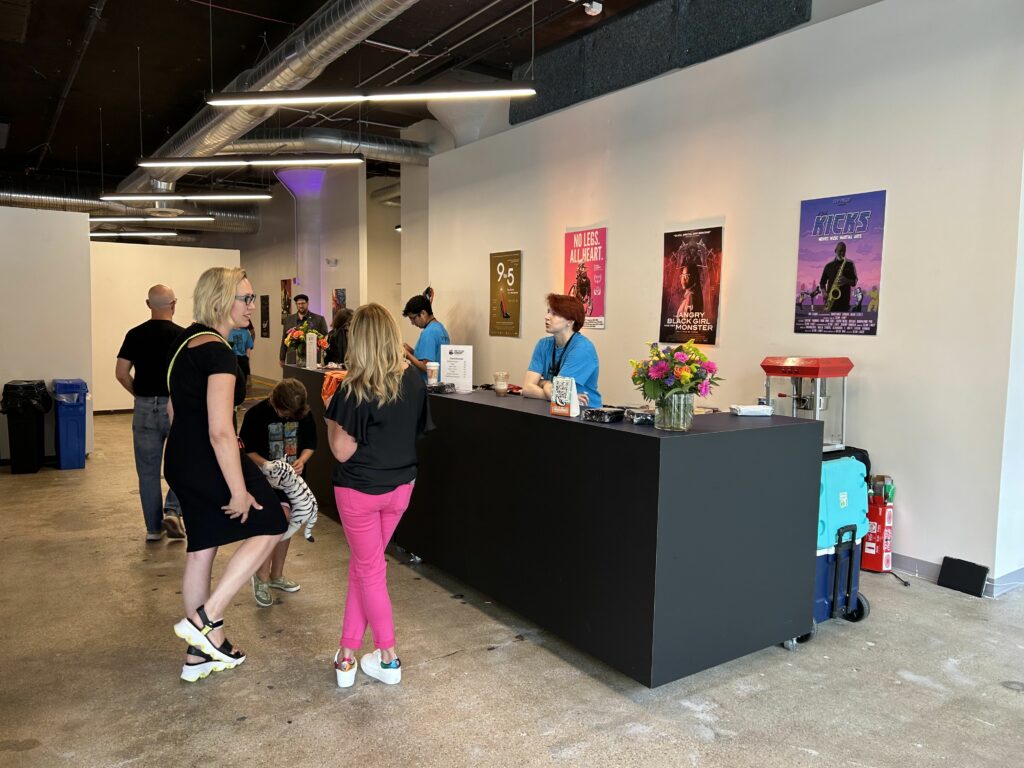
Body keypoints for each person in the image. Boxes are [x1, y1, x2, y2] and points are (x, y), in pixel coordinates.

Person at [165, 267, 287, 682]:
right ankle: (206, 621)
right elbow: (220, 430)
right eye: (245, 298)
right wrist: (237, 488)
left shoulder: (185, 342)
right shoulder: (218, 352)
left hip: (181, 459)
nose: (252, 305)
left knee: (202, 546)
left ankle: (200, 655)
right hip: (208, 459)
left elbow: (173, 411)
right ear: (221, 299)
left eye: (252, 298)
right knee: (272, 521)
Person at [324, 303, 430, 688]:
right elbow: (414, 432)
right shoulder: (415, 381)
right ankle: (347, 654)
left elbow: (340, 450)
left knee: (369, 570)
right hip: (400, 489)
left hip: (359, 492)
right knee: (364, 567)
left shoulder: (354, 388)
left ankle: (388, 656)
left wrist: (331, 415)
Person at [115, 284, 186, 542]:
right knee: (183, 464)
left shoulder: (134, 335)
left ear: (148, 305)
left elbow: (121, 373)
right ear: (174, 304)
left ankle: (153, 530)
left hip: (145, 407)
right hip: (175, 407)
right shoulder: (182, 336)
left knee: (147, 471)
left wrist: (139, 395)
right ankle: (173, 510)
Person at [239, 378, 318, 607]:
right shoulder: (256, 415)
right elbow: (247, 449)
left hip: (292, 482)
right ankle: (261, 577)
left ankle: (276, 575)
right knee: (274, 523)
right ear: (274, 401)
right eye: (284, 412)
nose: (286, 416)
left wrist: (302, 461)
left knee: (288, 522)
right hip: (264, 481)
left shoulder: (304, 415)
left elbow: (311, 443)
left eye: (291, 414)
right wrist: (266, 465)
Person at [523, 293, 602, 408]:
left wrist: (543, 383)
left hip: (584, 412)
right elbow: (527, 388)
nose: (547, 317)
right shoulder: (543, 344)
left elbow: (560, 394)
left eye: (554, 314)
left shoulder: (583, 349)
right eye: (548, 311)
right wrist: (549, 387)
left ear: (570, 321)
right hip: (555, 408)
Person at [401, 294, 450, 381]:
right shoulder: (441, 329)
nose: (412, 323)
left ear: (423, 313)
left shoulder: (429, 332)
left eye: (413, 318)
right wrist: (411, 351)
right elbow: (433, 358)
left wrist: (406, 354)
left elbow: (427, 367)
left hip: (429, 388)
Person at [279, 293, 328, 367]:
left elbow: (324, 339)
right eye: (298, 304)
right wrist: (281, 358)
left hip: (312, 359)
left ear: (307, 303)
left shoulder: (319, 319)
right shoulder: (288, 320)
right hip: (292, 359)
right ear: (296, 304)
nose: (301, 306)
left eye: (303, 303)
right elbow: (284, 340)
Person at [818, 241, 859, 312]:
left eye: (844, 251)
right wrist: (824, 293)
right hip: (830, 301)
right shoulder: (828, 266)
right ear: (835, 250)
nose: (842, 253)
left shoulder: (850, 264)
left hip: (844, 303)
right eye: (840, 251)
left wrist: (846, 280)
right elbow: (822, 283)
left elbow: (854, 281)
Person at [228, 325, 253, 390]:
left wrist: (247, 359)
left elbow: (248, 347)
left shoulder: (245, 333)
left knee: (242, 381)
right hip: (232, 358)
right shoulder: (228, 331)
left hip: (242, 359)